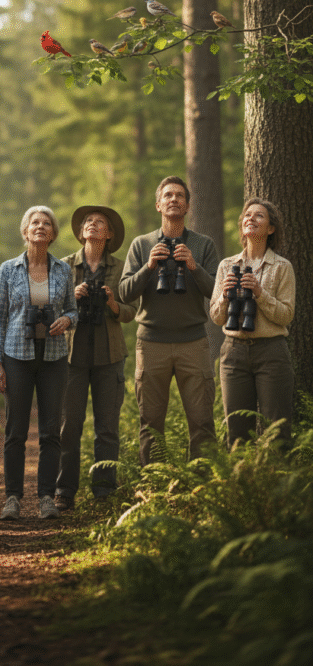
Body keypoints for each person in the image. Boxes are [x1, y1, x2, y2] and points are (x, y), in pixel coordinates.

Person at [119, 176, 219, 465]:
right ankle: (153, 488)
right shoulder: (142, 244)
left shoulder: (203, 245)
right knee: (150, 423)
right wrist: (149, 266)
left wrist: (194, 266)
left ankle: (202, 488)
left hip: (194, 342)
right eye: (168, 195)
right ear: (158, 205)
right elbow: (125, 293)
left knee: (202, 421)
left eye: (179, 196)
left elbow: (216, 292)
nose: (173, 199)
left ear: (187, 206)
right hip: (151, 344)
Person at [0, 206, 77, 521]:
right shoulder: (8, 269)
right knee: (15, 430)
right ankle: (12, 497)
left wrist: (68, 319)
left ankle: (46, 498)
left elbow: (73, 309)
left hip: (54, 357)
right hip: (16, 356)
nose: (41, 227)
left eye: (47, 223)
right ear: (26, 232)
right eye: (35, 223)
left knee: (51, 431)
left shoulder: (63, 270)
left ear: (52, 233)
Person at [55, 205, 136, 511]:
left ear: (110, 234)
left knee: (107, 426)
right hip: (71, 355)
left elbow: (131, 311)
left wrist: (113, 303)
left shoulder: (121, 267)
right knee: (70, 424)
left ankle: (104, 490)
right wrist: (70, 298)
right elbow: (50, 309)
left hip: (109, 355)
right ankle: (65, 490)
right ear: (80, 232)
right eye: (88, 221)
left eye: (100, 222)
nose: (92, 225)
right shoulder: (63, 267)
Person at [209, 198, 295, 447]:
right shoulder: (227, 266)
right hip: (233, 352)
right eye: (247, 215)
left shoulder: (282, 267)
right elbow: (216, 317)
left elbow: (286, 316)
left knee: (277, 430)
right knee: (237, 432)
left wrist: (260, 293)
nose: (250, 219)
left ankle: (276, 482)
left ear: (271, 229)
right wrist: (225, 295)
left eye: (259, 216)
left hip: (272, 351)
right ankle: (243, 484)